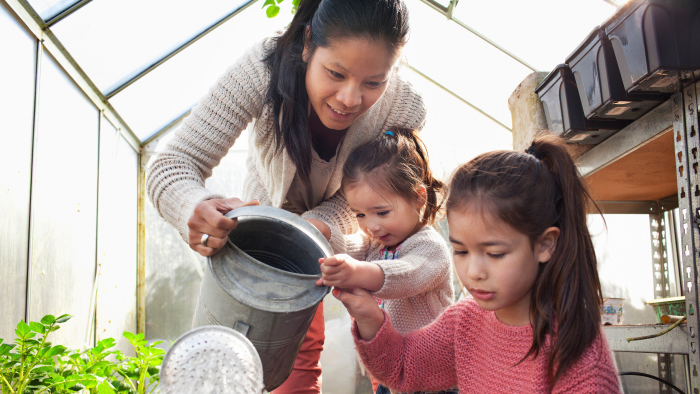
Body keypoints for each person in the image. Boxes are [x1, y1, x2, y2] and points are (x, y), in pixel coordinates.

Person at [145, 0, 424, 392]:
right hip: (255, 249)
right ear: (308, 43)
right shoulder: (263, 69)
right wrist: (195, 207)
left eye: (373, 82)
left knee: (295, 370)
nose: (349, 98)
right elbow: (173, 164)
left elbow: (367, 198)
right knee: (224, 369)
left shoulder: (404, 109)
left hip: (322, 251)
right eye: (336, 73)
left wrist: (318, 227)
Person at [332, 135, 621, 393]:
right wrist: (368, 317)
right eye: (460, 251)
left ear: (545, 244)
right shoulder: (466, 321)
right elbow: (404, 368)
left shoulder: (577, 348)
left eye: (494, 254)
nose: (473, 273)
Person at [311, 128, 455, 394]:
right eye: (361, 215)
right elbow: (351, 247)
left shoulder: (429, 248)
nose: (372, 226)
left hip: (434, 377)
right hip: (392, 370)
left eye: (382, 212)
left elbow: (405, 275)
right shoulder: (376, 244)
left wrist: (358, 272)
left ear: (418, 197)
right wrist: (326, 234)